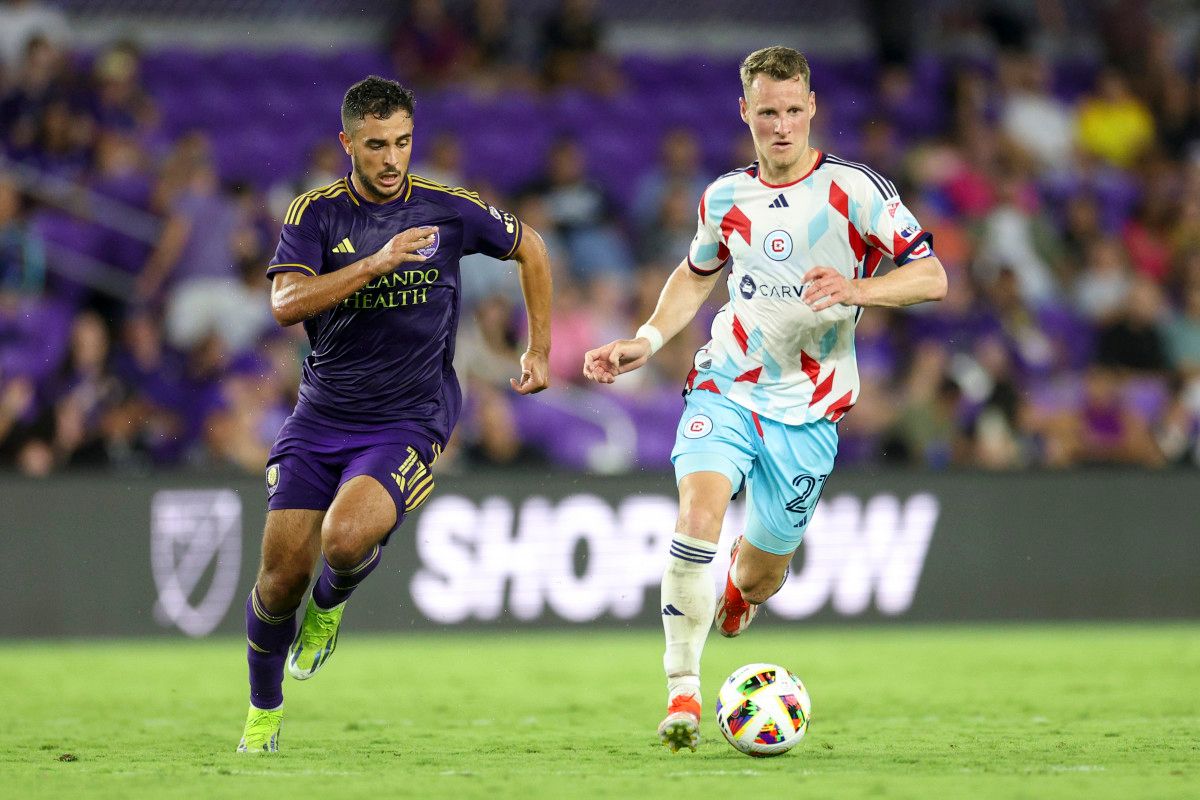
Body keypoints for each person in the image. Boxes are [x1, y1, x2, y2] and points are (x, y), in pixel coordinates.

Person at [582, 46, 947, 752]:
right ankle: (682, 691)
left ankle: (740, 593)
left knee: (760, 569)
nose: (780, 126)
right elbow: (695, 274)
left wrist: (857, 289)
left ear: (812, 110)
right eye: (766, 113)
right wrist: (648, 340)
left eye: (793, 111)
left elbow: (931, 278)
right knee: (698, 511)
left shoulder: (858, 192)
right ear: (745, 113)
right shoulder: (724, 197)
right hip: (728, 381)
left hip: (810, 409)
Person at [237, 76, 553, 753]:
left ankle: (331, 606)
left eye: (403, 143)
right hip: (321, 417)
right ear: (346, 143)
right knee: (277, 580)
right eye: (376, 145)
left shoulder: (448, 209)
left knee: (346, 538)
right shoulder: (314, 214)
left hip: (410, 415)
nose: (391, 159)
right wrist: (375, 264)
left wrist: (540, 349)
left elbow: (532, 247)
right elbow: (286, 304)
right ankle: (263, 712)